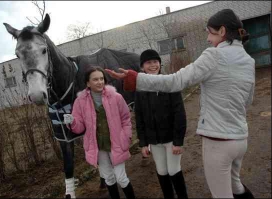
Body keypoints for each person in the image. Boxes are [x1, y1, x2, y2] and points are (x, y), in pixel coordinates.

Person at [106, 9, 255, 199]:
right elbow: (248, 101)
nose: (208, 39)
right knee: (237, 187)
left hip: (219, 141)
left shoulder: (214, 56)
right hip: (240, 139)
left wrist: (136, 78)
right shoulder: (248, 61)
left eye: (209, 32)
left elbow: (175, 81)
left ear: (222, 31)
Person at [63, 66, 136, 199]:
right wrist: (72, 122)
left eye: (101, 79)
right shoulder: (80, 102)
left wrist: (126, 136)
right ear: (87, 83)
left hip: (117, 143)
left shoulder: (116, 97)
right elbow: (79, 128)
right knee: (108, 178)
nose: (99, 82)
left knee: (121, 177)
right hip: (98, 147)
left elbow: (126, 119)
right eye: (95, 79)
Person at [135, 49, 188, 199]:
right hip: (154, 141)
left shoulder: (169, 83)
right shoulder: (140, 89)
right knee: (162, 171)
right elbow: (139, 118)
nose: (153, 65)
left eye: (155, 62)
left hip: (171, 139)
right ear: (142, 67)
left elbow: (180, 114)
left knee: (173, 170)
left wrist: (178, 141)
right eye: (148, 62)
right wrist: (143, 143)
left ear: (160, 64)